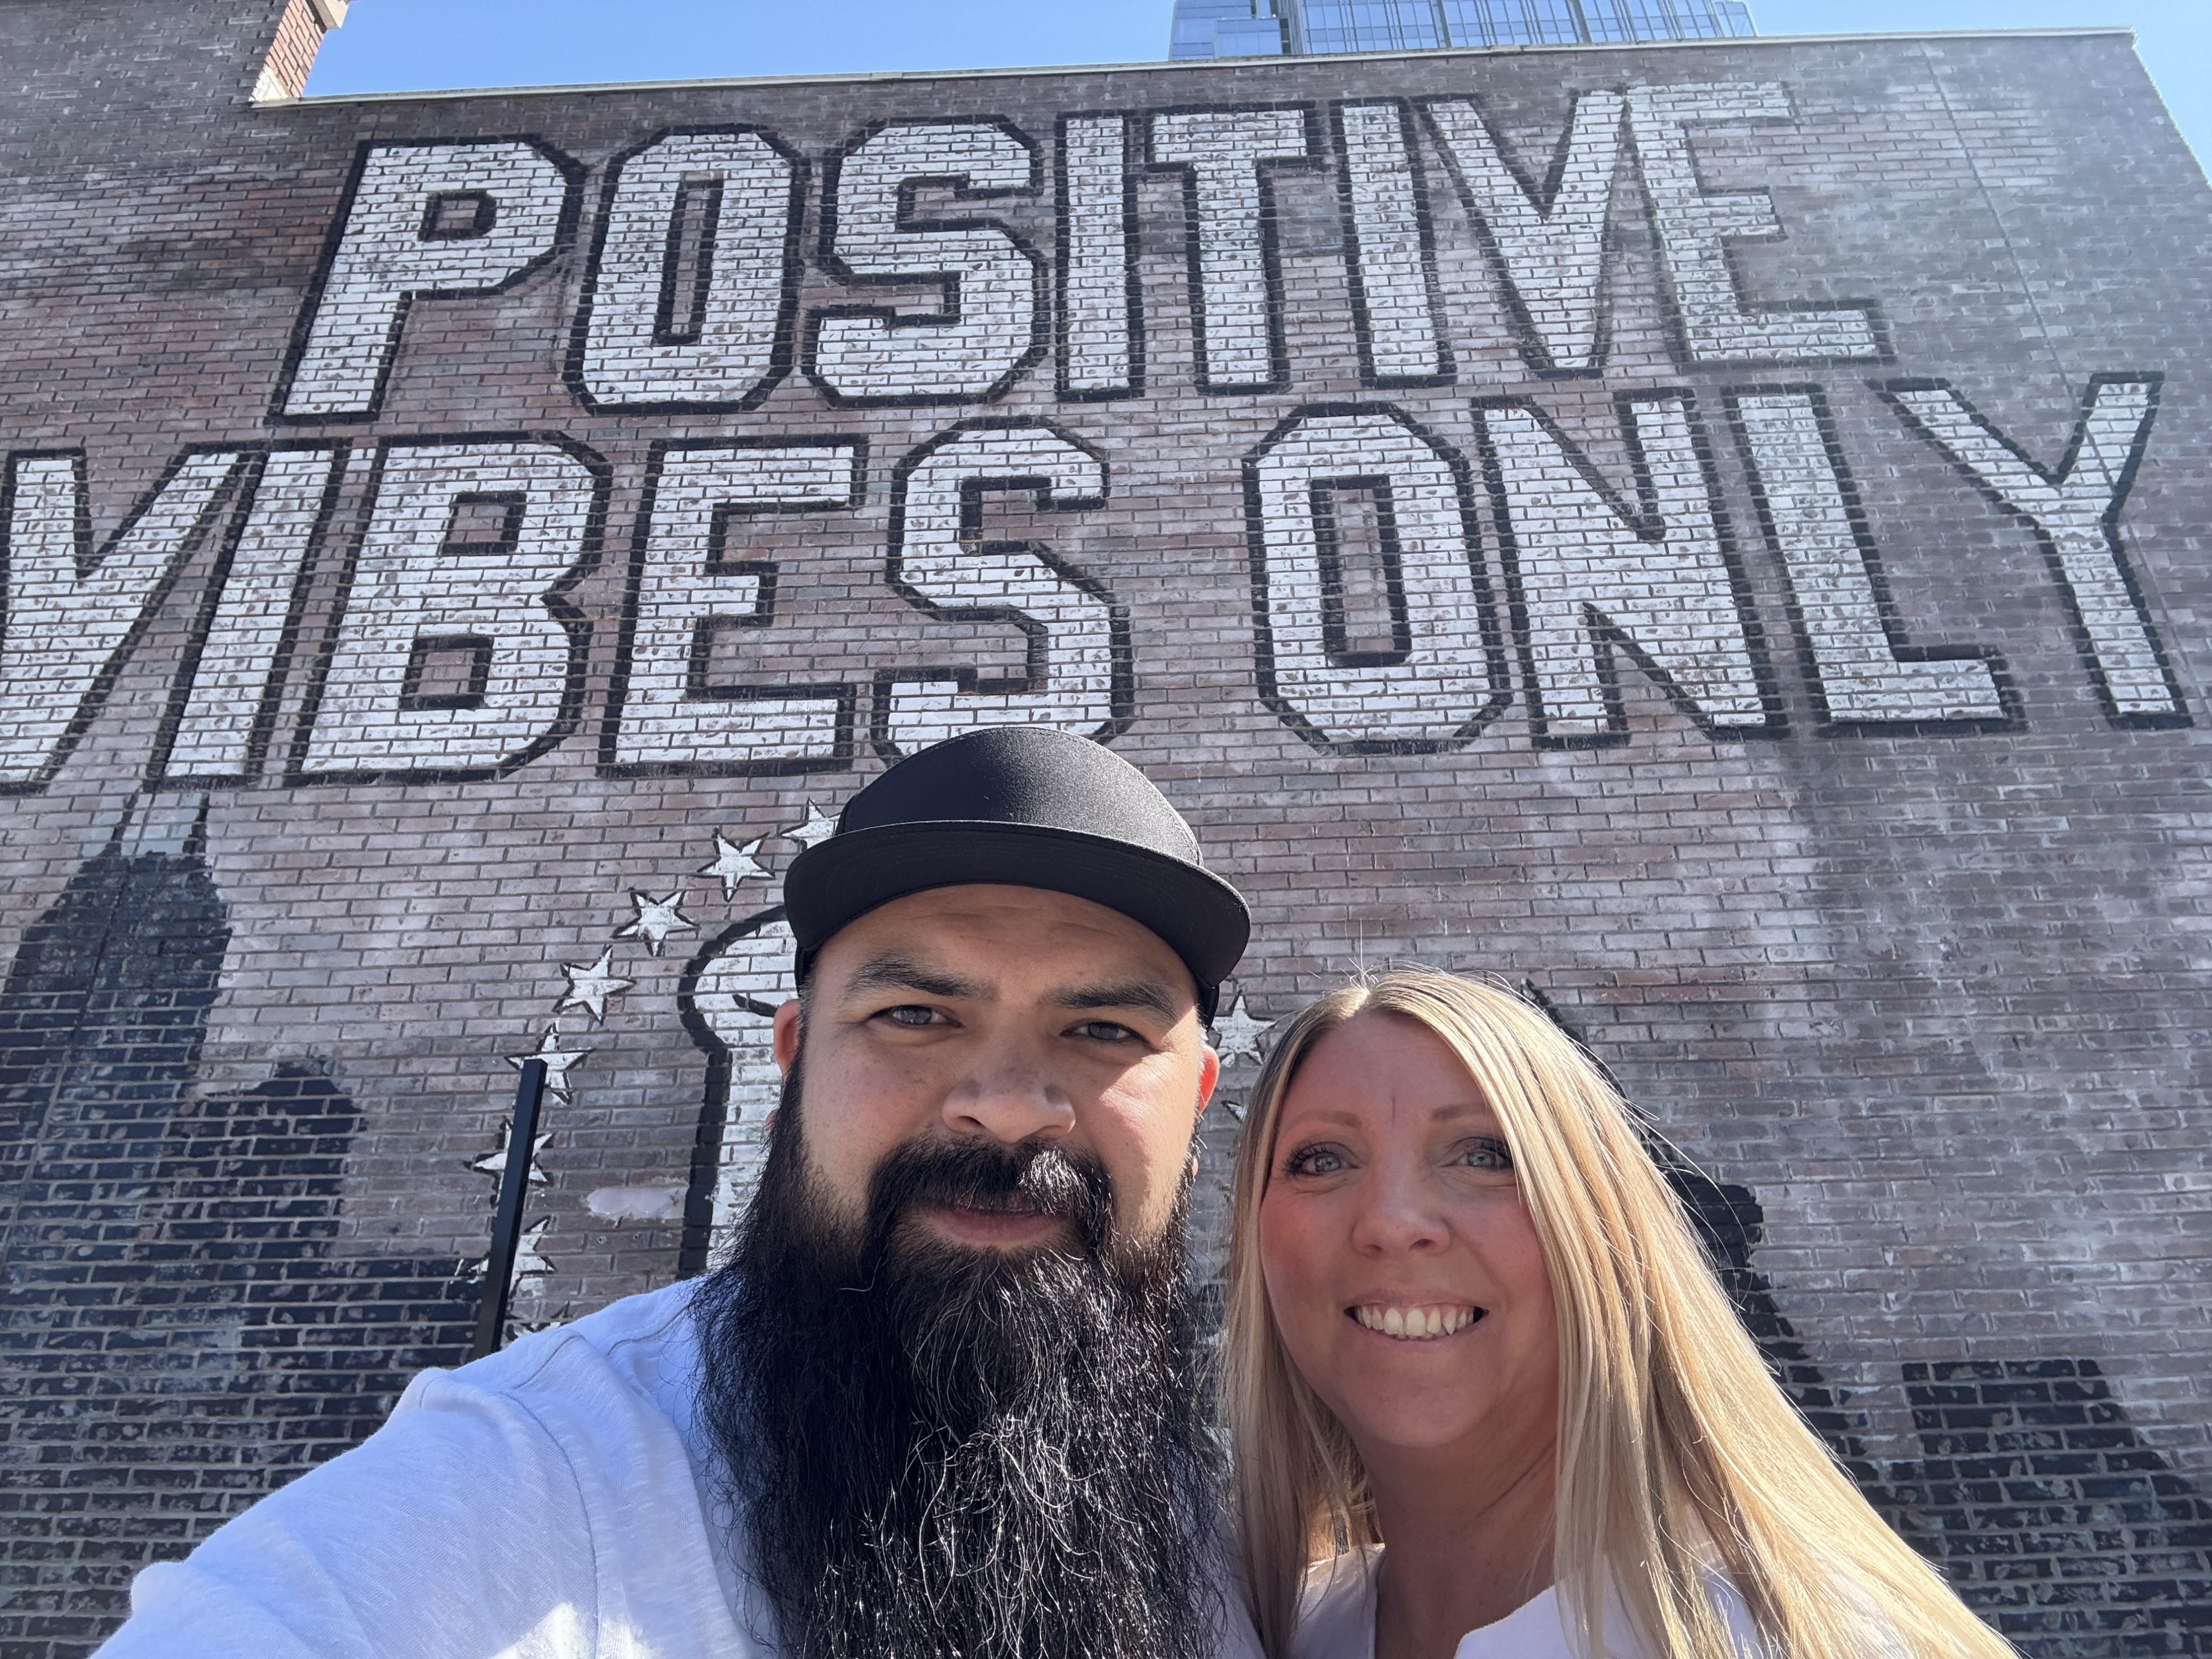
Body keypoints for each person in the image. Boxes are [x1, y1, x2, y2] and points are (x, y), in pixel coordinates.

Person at [100, 725, 1259, 1659]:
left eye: (1103, 1029)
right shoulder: (545, 1468)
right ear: (791, 1063)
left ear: (1197, 1103)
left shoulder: (1258, 1505)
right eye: (915, 1014)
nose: (1006, 1105)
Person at [1220, 968, 2017, 1659]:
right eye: (1322, 1160)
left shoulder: (1812, 1638)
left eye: (1486, 1155)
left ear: (1602, 1231)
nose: (1394, 1222)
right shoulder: (1255, 1632)